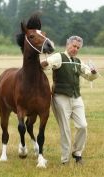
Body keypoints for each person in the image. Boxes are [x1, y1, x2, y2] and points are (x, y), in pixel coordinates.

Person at [41, 35, 99, 164]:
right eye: (73, 46)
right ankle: (65, 160)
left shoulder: (78, 61)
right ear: (68, 45)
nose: (75, 49)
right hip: (60, 98)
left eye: (78, 47)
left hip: (76, 98)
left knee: (83, 125)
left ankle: (77, 153)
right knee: (65, 129)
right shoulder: (58, 57)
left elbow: (89, 76)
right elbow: (46, 65)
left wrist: (94, 72)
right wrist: (44, 64)